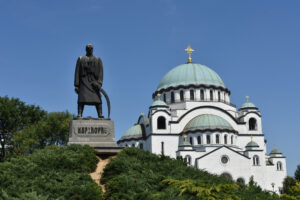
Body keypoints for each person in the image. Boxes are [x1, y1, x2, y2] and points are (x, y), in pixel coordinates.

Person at [74, 44, 103, 118]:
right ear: (86, 49)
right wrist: (76, 85)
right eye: (88, 48)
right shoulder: (81, 59)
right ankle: (79, 113)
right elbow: (77, 72)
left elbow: (100, 72)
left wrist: (99, 83)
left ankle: (100, 113)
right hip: (83, 81)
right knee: (81, 99)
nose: (89, 49)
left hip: (94, 82)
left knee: (98, 99)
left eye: (91, 48)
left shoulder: (97, 59)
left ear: (92, 49)